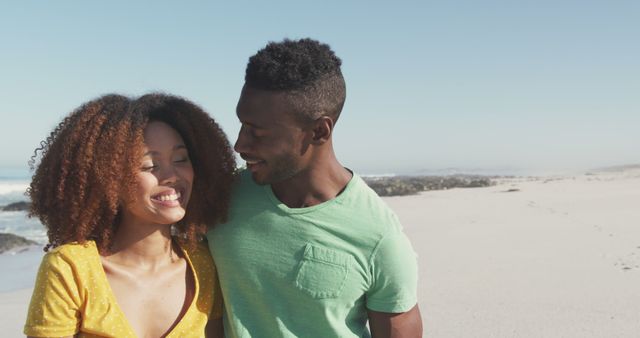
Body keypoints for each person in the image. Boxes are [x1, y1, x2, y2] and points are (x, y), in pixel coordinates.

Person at [208, 38, 422, 337]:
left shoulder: (379, 237)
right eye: (242, 125)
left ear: (319, 131)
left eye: (258, 132)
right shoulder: (222, 195)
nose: (240, 144)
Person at [24, 93, 236, 338]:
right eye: (149, 165)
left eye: (180, 159)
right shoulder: (71, 268)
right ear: (109, 178)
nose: (172, 175)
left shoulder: (203, 266)